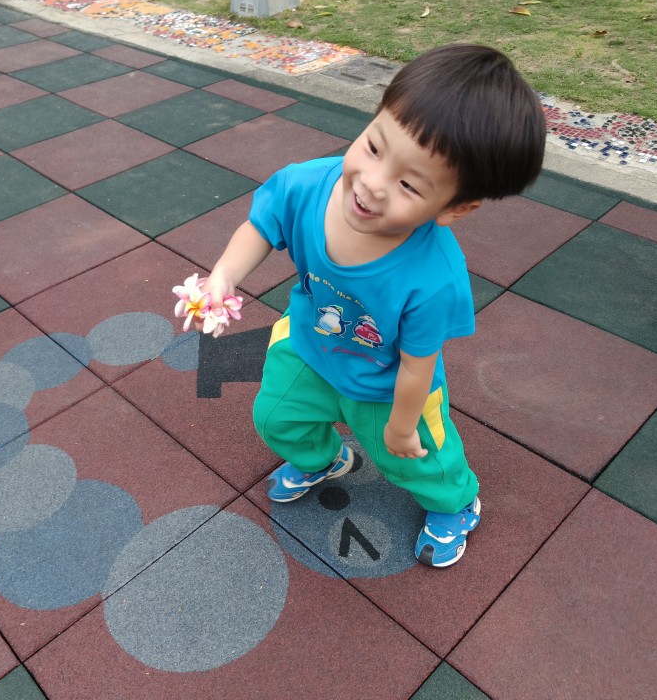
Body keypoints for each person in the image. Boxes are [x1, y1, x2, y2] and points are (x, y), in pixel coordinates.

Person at [197, 43, 545, 568]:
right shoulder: (307, 185)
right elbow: (261, 227)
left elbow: (418, 365)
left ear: (455, 207)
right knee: (275, 417)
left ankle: (456, 503)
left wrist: (402, 424)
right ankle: (322, 460)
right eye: (374, 146)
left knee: (415, 459)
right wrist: (224, 275)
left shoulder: (434, 278)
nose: (372, 184)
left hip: (388, 383)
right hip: (310, 346)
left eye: (408, 184)